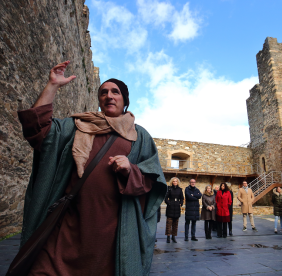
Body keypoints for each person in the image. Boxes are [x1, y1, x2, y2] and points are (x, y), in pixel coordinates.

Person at [17, 61, 167, 275]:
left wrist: (131, 170)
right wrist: (52, 85)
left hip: (112, 233)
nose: (109, 96)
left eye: (115, 92)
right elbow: (38, 130)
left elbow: (153, 179)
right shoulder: (77, 125)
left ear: (125, 101)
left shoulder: (139, 136)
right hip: (68, 226)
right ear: (99, 100)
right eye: (103, 92)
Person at [164, 177, 184, 243]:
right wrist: (169, 203)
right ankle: (168, 237)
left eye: (176, 181)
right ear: (172, 182)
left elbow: (182, 198)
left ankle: (173, 236)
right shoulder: (169, 189)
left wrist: (180, 203)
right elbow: (166, 198)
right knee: (169, 223)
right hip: (170, 207)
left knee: (175, 224)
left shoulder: (180, 189)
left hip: (177, 208)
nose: (175, 182)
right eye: (173, 181)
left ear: (177, 182)